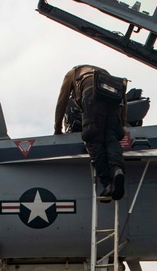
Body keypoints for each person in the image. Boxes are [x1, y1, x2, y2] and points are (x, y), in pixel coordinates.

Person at [54, 65, 126, 201]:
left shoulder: (73, 73)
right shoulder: (104, 72)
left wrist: (57, 129)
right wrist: (122, 123)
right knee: (111, 137)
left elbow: (62, 102)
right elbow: (122, 97)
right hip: (114, 96)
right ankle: (117, 170)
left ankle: (108, 184)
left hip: (91, 93)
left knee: (92, 137)